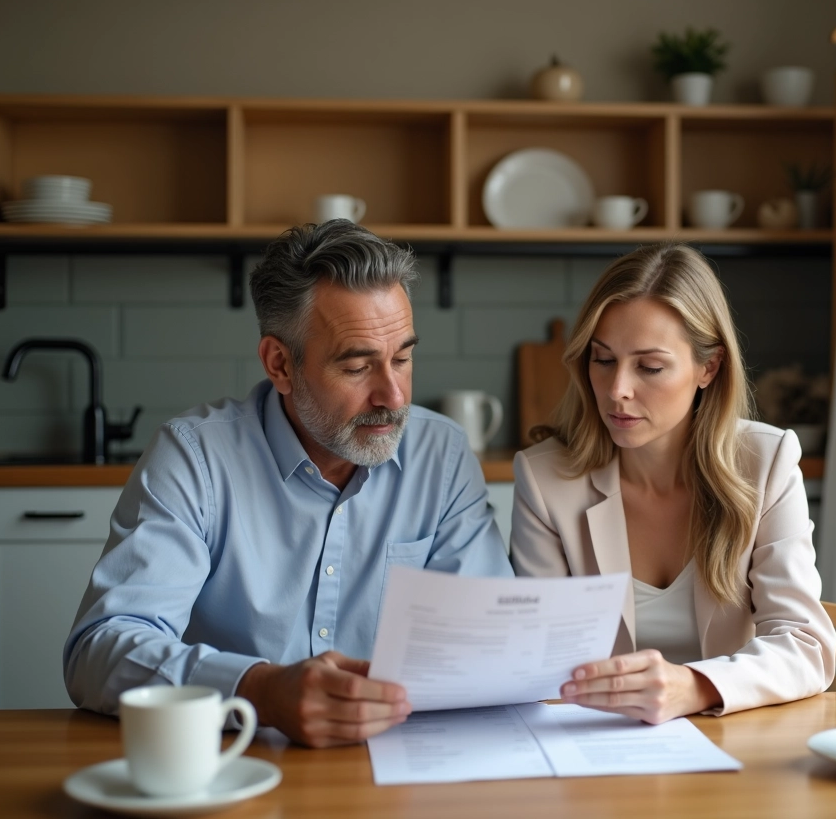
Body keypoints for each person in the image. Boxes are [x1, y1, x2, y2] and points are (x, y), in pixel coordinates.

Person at [64, 220, 512, 747]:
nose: (393, 396)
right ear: (280, 364)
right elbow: (99, 650)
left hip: (402, 762)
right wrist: (261, 691)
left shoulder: (442, 454)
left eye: (403, 358)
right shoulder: (195, 457)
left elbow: (490, 642)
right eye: (357, 366)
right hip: (236, 760)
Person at [510, 243, 836, 724]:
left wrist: (697, 687)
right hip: (598, 749)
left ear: (709, 368)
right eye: (603, 360)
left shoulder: (765, 463)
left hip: (735, 742)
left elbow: (805, 645)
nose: (618, 388)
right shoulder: (545, 480)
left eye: (650, 366)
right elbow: (542, 657)